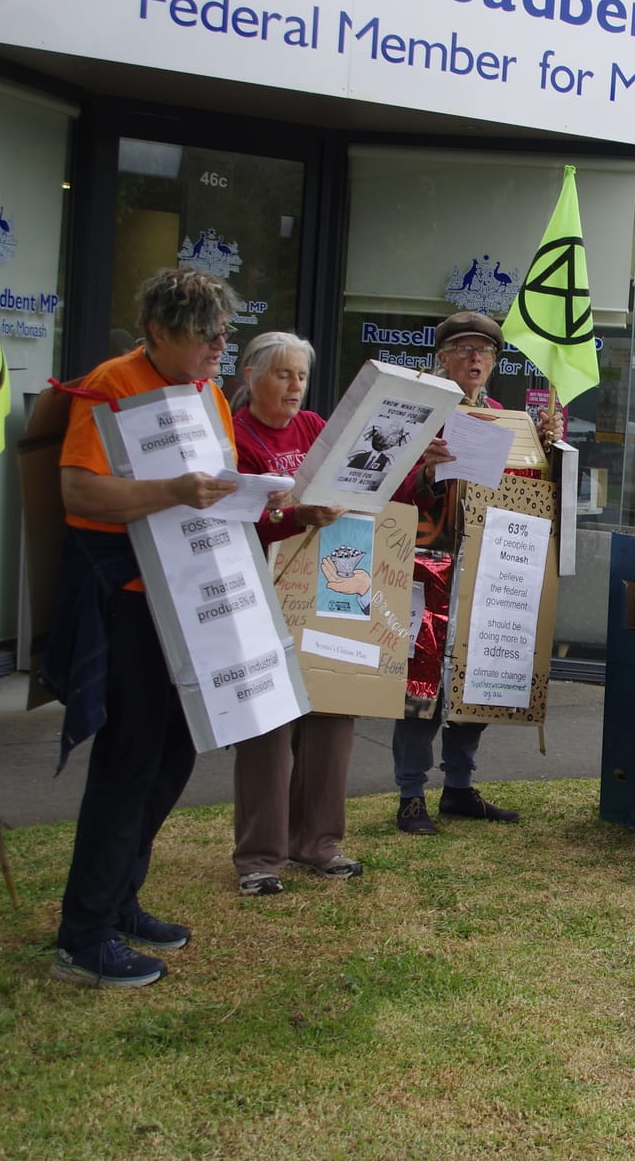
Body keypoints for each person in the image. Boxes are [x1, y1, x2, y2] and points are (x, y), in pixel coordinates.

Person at [44, 266, 243, 988]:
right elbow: (78, 489)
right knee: (128, 760)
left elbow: (217, 487)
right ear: (158, 332)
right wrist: (172, 491)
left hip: (188, 594)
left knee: (175, 752)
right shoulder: (111, 383)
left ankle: (120, 897)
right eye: (204, 332)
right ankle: (83, 933)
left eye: (224, 329)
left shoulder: (206, 389)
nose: (220, 344)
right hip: (126, 595)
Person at [390, 311, 558, 835]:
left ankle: (458, 787)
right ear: (442, 357)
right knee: (421, 686)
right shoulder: (417, 413)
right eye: (463, 350)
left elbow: (525, 496)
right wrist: (428, 473)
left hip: (488, 568)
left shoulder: (508, 420)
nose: (475, 359)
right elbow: (388, 491)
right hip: (429, 565)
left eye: (483, 352)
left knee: (477, 676)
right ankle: (411, 794)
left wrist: (546, 453)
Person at [228, 331, 360, 897]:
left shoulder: (313, 429)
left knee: (331, 712)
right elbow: (238, 516)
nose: (294, 386)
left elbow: (359, 483)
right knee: (268, 725)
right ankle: (260, 857)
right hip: (261, 592)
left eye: (301, 376)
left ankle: (319, 842)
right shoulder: (233, 436)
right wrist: (297, 515)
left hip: (323, 593)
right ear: (252, 377)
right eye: (282, 374)